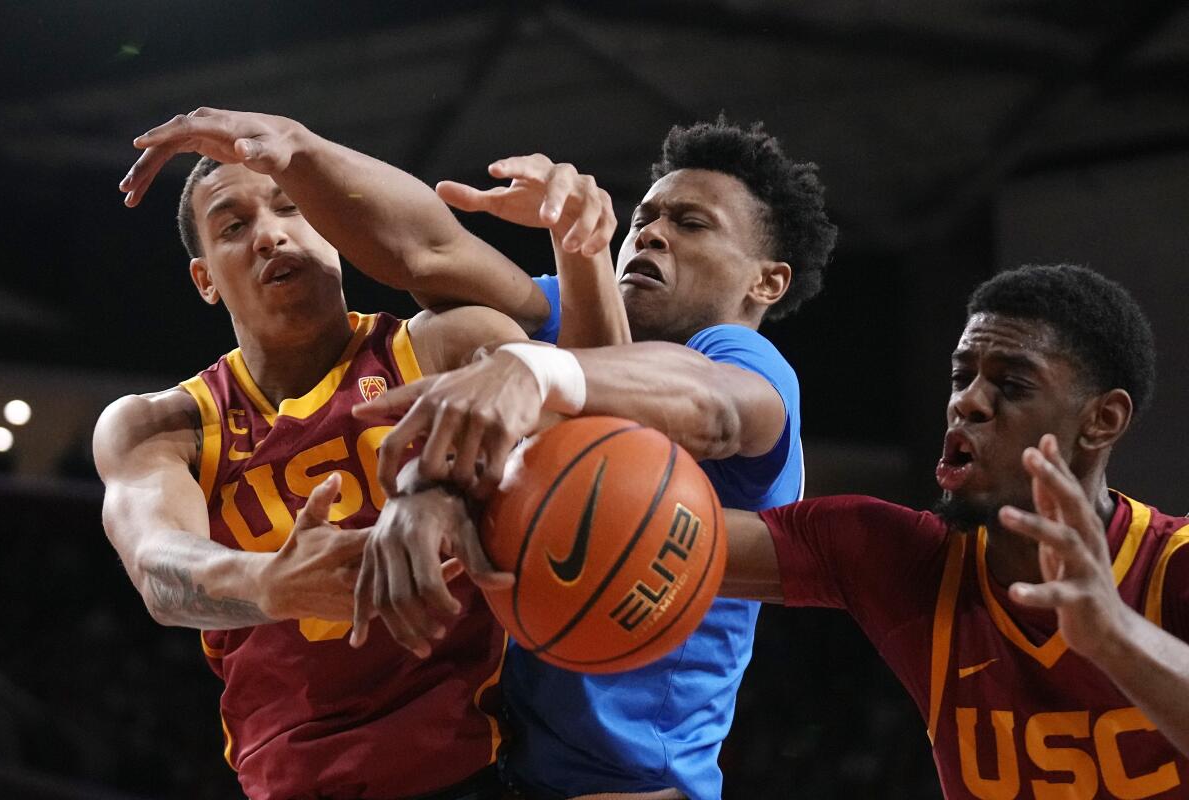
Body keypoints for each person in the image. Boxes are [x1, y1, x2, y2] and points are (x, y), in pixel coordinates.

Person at [98, 109, 621, 800]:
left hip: (472, 766)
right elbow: (159, 569)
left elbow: (605, 430)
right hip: (289, 781)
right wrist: (266, 583)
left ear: (333, 226)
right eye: (234, 226)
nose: (271, 234)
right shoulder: (162, 424)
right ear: (205, 279)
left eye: (291, 207)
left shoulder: (442, 346)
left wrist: (583, 249)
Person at [356, 117, 838, 800]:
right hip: (503, 765)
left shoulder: (744, 360)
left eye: (692, 224)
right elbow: (425, 255)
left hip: (630, 785)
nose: (652, 232)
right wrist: (292, 149)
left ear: (767, 283)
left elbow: (716, 408)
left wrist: (534, 370)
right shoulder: (563, 311)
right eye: (646, 215)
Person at [720, 264, 1189, 798]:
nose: (966, 402)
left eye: (1012, 385)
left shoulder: (1174, 565)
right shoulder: (906, 560)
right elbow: (656, 541)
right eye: (962, 377)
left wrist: (1112, 634)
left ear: (1102, 420)